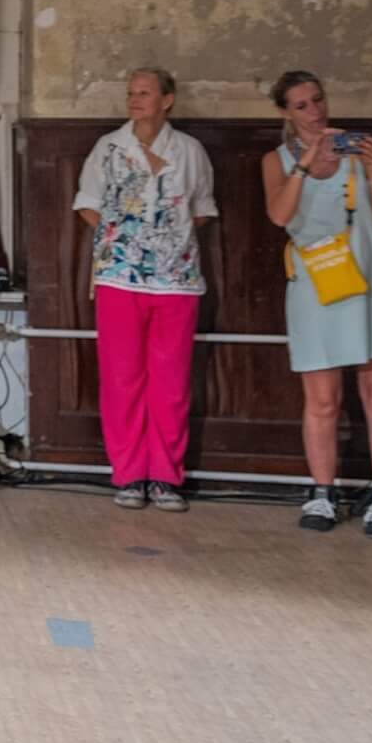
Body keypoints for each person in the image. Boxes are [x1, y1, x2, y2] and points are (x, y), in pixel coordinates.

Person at [260, 69, 372, 538]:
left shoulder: (359, 149)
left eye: (319, 100)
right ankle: (323, 493)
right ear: (286, 112)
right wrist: (305, 164)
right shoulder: (277, 160)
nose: (315, 112)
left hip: (369, 282)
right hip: (316, 287)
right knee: (323, 400)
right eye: (302, 105)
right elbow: (280, 215)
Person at [74, 67, 217, 510]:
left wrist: (165, 241)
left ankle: (166, 477)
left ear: (167, 100)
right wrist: (125, 240)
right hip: (120, 277)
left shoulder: (190, 151)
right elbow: (88, 205)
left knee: (171, 382)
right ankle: (129, 475)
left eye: (144, 93)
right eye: (131, 93)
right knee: (121, 378)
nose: (135, 100)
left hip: (176, 280)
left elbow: (202, 210)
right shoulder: (109, 148)